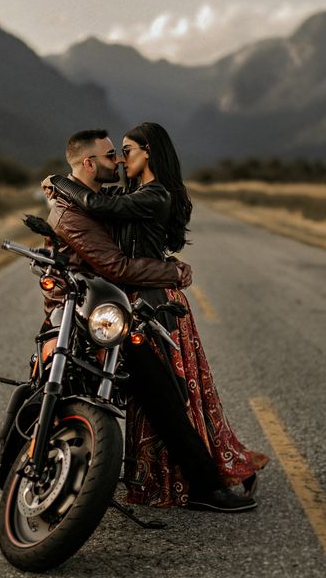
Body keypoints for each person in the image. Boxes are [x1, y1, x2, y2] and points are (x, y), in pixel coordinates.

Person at [45, 125, 269, 509]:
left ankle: (200, 482)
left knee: (171, 395)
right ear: (88, 161)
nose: (118, 159)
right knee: (163, 397)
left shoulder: (150, 194)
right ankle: (186, 480)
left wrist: (60, 183)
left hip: (144, 303)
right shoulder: (107, 199)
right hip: (119, 307)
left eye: (125, 150)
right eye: (113, 153)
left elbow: (104, 215)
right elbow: (106, 240)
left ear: (147, 153)